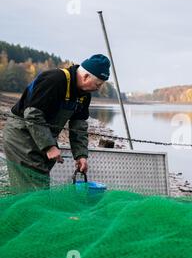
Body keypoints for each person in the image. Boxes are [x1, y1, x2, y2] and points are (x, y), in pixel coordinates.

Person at [3, 54, 111, 192]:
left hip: (42, 135)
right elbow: (32, 115)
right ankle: (29, 212)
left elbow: (79, 126)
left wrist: (81, 155)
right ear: (85, 77)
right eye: (98, 84)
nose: (98, 88)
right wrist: (49, 146)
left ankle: (30, 210)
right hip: (21, 135)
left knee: (40, 180)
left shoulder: (84, 95)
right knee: (34, 186)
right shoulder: (55, 80)